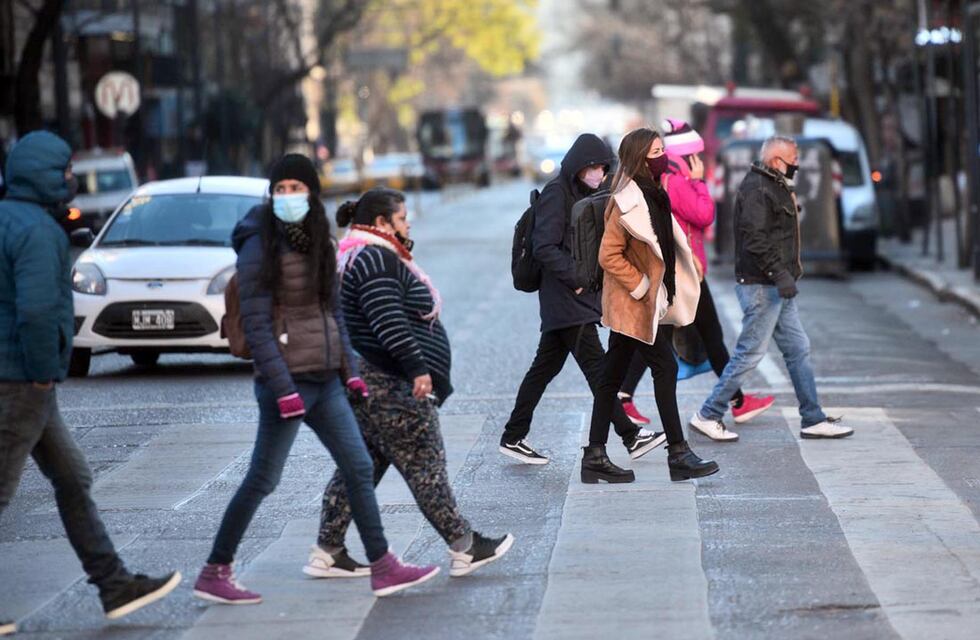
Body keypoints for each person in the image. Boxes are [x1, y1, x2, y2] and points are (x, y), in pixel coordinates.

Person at [193, 155, 438, 604]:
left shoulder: (320, 241)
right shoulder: (258, 243)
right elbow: (257, 323)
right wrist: (282, 388)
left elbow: (333, 314)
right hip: (285, 384)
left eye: (296, 187)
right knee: (262, 479)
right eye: (281, 188)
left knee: (359, 466)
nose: (288, 196)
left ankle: (383, 566)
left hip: (325, 380)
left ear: (311, 192)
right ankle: (215, 570)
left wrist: (351, 372)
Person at [0, 131, 180, 634]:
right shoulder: (37, 231)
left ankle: (114, 584)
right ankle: (113, 581)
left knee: (73, 479)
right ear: (43, 175)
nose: (70, 180)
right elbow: (36, 311)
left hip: (25, 380)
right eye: (64, 171)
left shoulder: (15, 219)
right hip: (21, 380)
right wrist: (41, 374)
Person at [307, 188, 514, 580]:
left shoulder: (359, 253)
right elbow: (388, 320)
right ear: (382, 223)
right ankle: (465, 546)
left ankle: (328, 548)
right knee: (425, 463)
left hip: (370, 382)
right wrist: (418, 368)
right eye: (402, 218)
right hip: (390, 383)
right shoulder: (373, 258)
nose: (408, 224)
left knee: (362, 465)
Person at [500, 134, 662, 465]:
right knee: (598, 370)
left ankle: (513, 435)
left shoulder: (581, 192)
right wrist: (576, 279)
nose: (598, 173)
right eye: (592, 167)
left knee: (544, 367)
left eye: (602, 168)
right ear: (577, 166)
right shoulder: (556, 195)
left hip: (574, 299)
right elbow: (544, 246)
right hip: (565, 298)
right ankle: (630, 436)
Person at [616, 119, 774, 441]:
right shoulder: (676, 181)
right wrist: (700, 183)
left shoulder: (672, 179)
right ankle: (731, 402)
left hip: (687, 268)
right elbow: (703, 215)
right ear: (688, 156)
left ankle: (625, 396)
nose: (699, 162)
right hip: (685, 271)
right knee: (702, 335)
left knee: (661, 336)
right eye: (695, 156)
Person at [689, 136, 854, 440]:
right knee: (750, 354)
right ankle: (708, 413)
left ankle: (812, 418)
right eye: (794, 158)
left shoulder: (774, 184)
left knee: (798, 349)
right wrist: (779, 274)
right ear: (777, 160)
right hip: (762, 286)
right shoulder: (758, 188)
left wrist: (784, 277)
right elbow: (755, 239)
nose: (797, 163)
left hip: (777, 286)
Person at [584, 127, 719, 484]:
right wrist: (643, 286)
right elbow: (608, 254)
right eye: (656, 152)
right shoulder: (627, 199)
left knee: (611, 378)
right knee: (664, 368)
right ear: (640, 157)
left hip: (645, 302)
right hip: (634, 303)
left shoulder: (654, 193)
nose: (663, 159)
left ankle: (595, 455)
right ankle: (678, 453)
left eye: (663, 150)